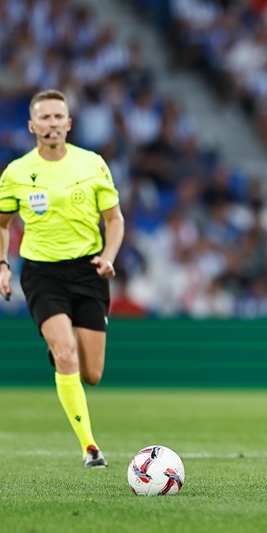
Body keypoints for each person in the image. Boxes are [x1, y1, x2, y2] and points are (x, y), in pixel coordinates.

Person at [0, 90, 124, 468]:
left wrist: (108, 258)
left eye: (59, 117)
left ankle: (61, 355)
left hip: (88, 271)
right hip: (42, 273)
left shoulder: (93, 164)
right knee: (66, 352)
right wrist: (3, 265)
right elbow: (2, 224)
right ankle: (90, 447)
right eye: (45, 117)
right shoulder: (16, 173)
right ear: (32, 126)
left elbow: (114, 220)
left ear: (69, 123)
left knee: (93, 373)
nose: (52, 123)